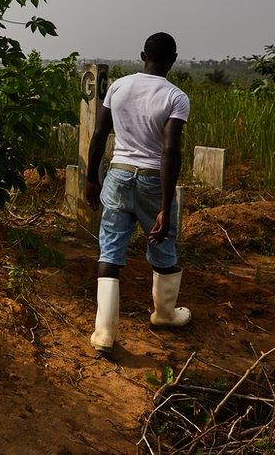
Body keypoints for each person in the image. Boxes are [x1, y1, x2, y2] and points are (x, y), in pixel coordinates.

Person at [84, 32, 191, 355]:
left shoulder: (118, 86)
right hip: (151, 180)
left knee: (110, 252)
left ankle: (104, 333)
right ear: (172, 61)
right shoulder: (175, 96)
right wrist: (164, 205)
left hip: (117, 175)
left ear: (142, 54)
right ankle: (165, 314)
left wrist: (92, 178)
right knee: (163, 242)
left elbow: (100, 134)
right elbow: (170, 151)